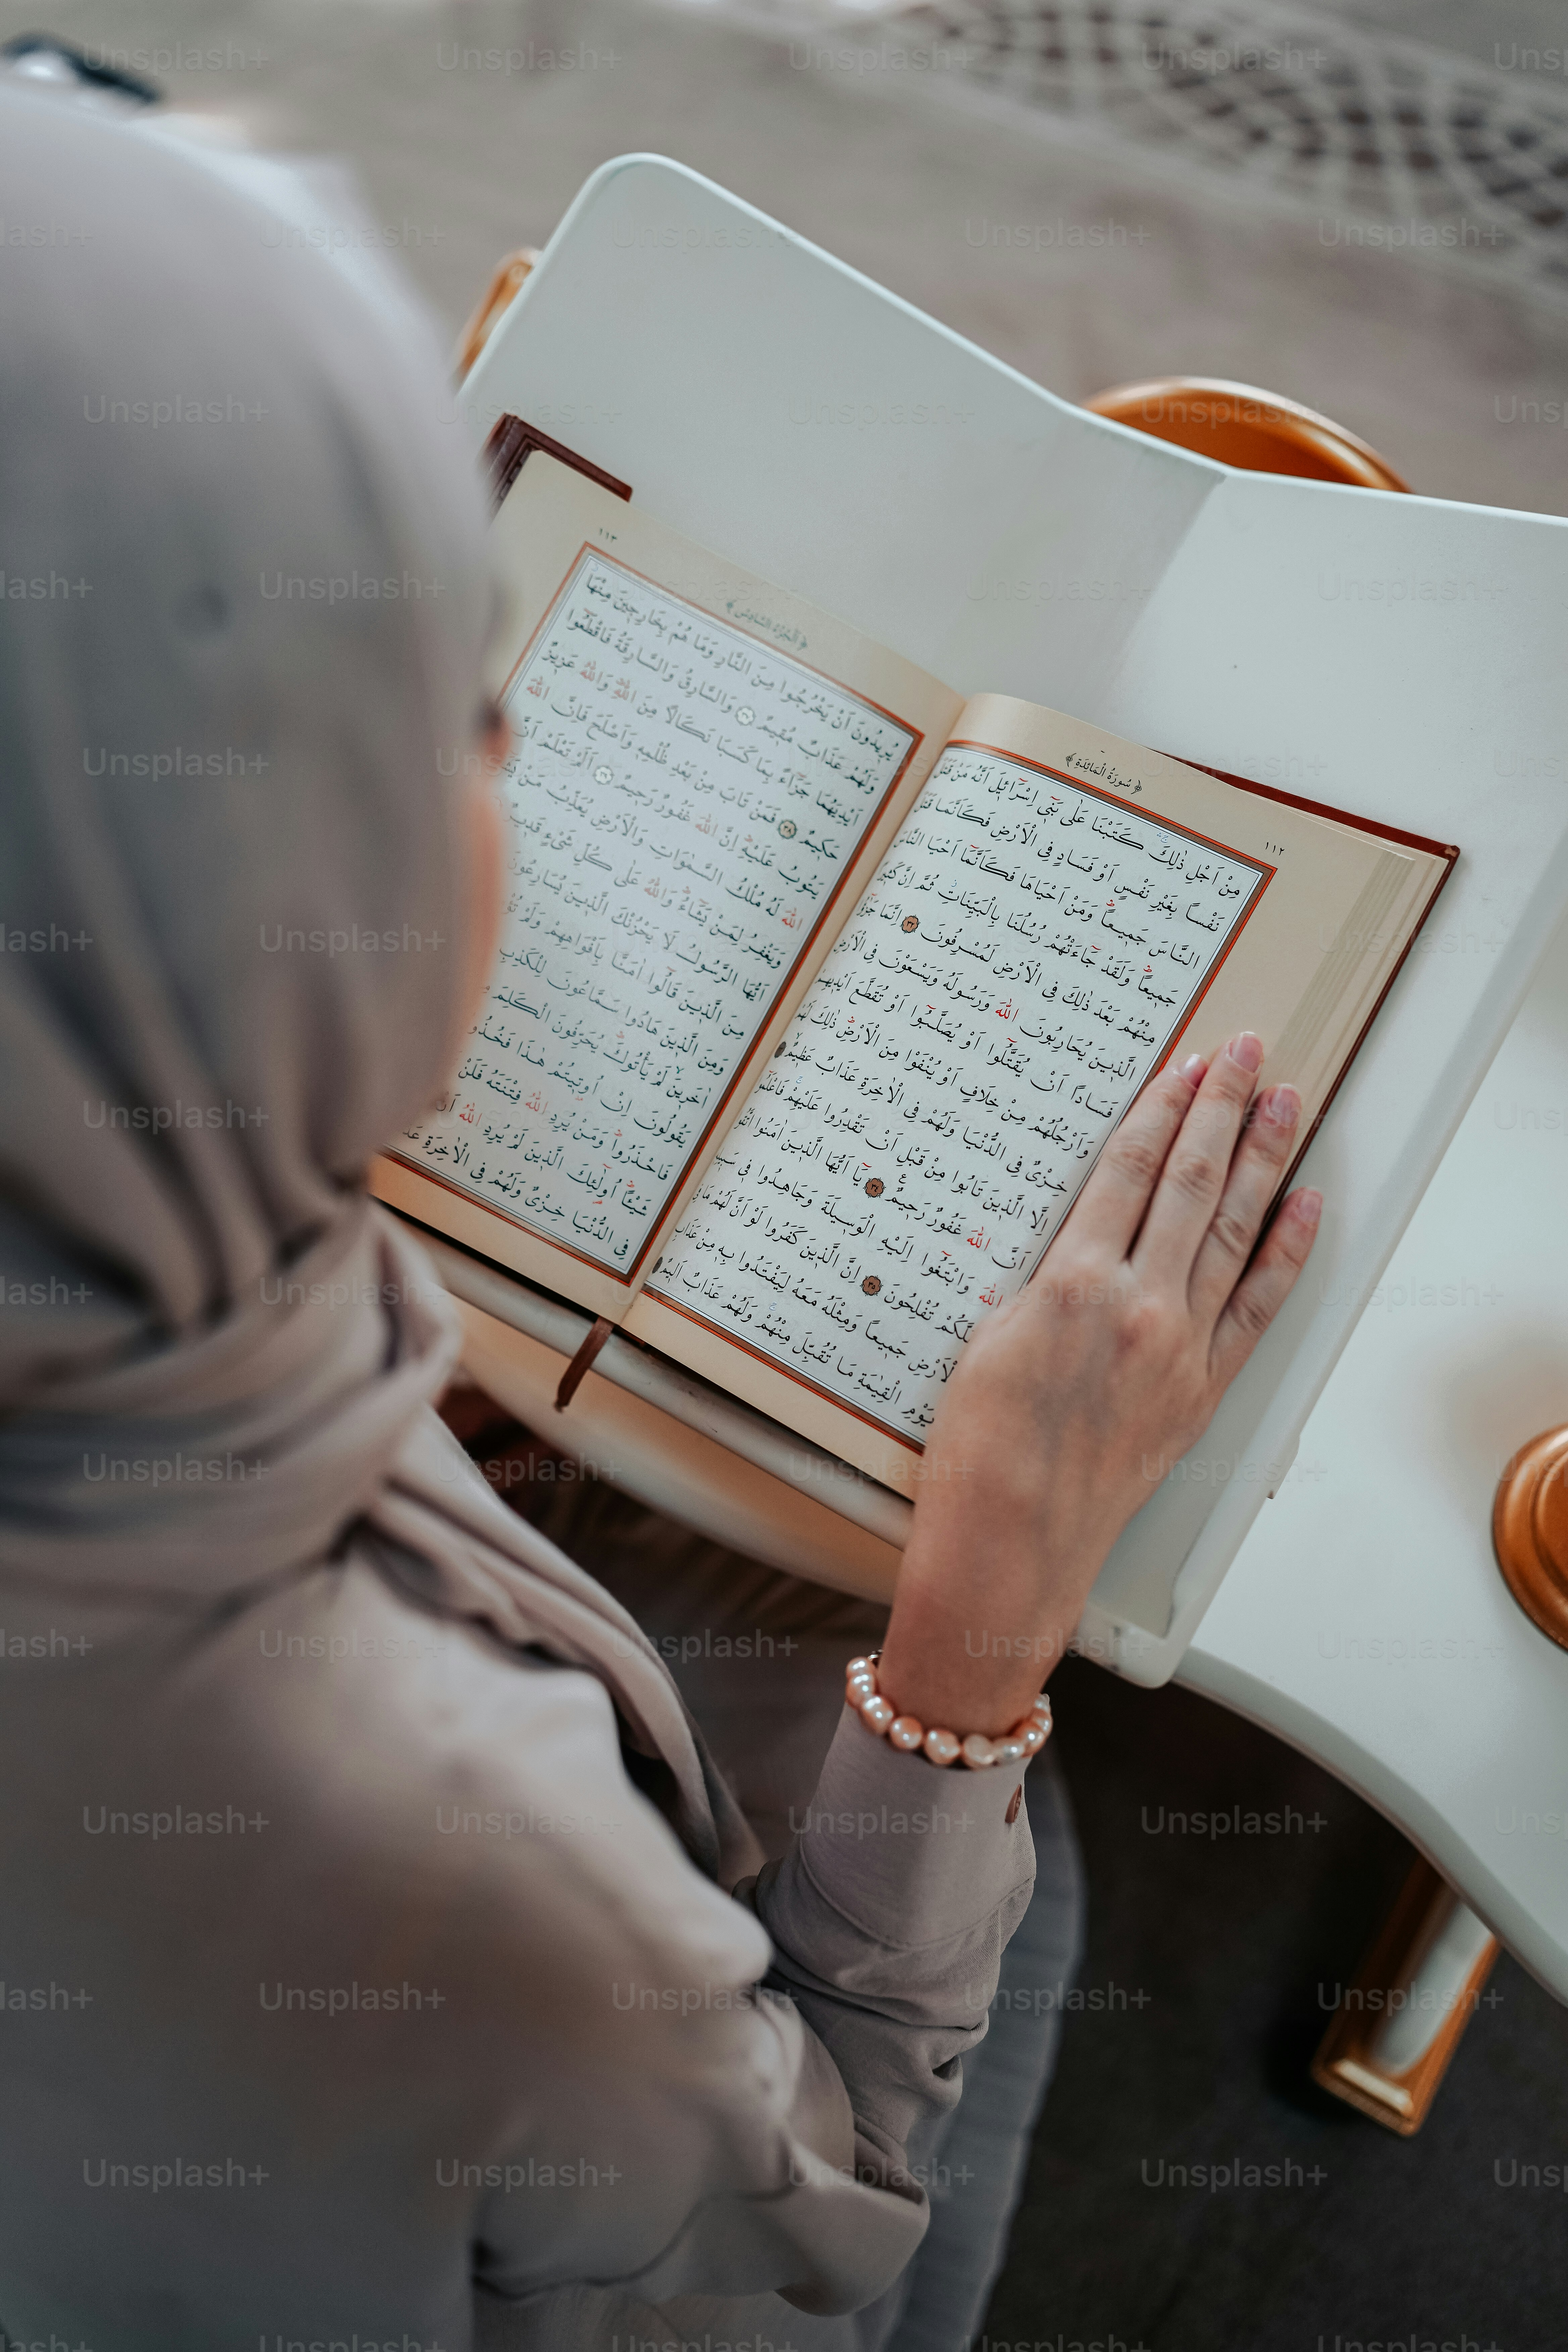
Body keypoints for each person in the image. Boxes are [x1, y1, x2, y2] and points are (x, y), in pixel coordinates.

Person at [0, 79, 1320, 2352]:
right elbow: (791, 2255)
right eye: (460, 718)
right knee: (1020, 1822)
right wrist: (982, 1642)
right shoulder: (431, 1867)